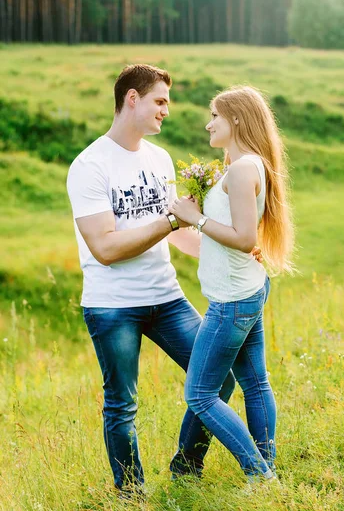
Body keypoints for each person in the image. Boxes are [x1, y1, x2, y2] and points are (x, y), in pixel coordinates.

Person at [66, 64, 262, 496]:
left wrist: (238, 248)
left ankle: (186, 468)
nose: (166, 112)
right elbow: (106, 247)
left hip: (167, 298)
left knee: (218, 379)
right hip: (112, 305)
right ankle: (131, 494)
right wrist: (171, 219)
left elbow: (182, 236)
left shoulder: (159, 159)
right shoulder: (89, 165)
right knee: (122, 404)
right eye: (160, 101)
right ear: (131, 99)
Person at [169, 85, 294, 482]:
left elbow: (244, 238)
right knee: (255, 384)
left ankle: (260, 475)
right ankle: (265, 468)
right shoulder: (241, 165)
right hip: (246, 289)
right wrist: (173, 227)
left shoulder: (242, 169)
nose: (209, 123)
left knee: (201, 394)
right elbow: (219, 244)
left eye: (215, 116)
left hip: (232, 301)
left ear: (236, 118)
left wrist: (196, 219)